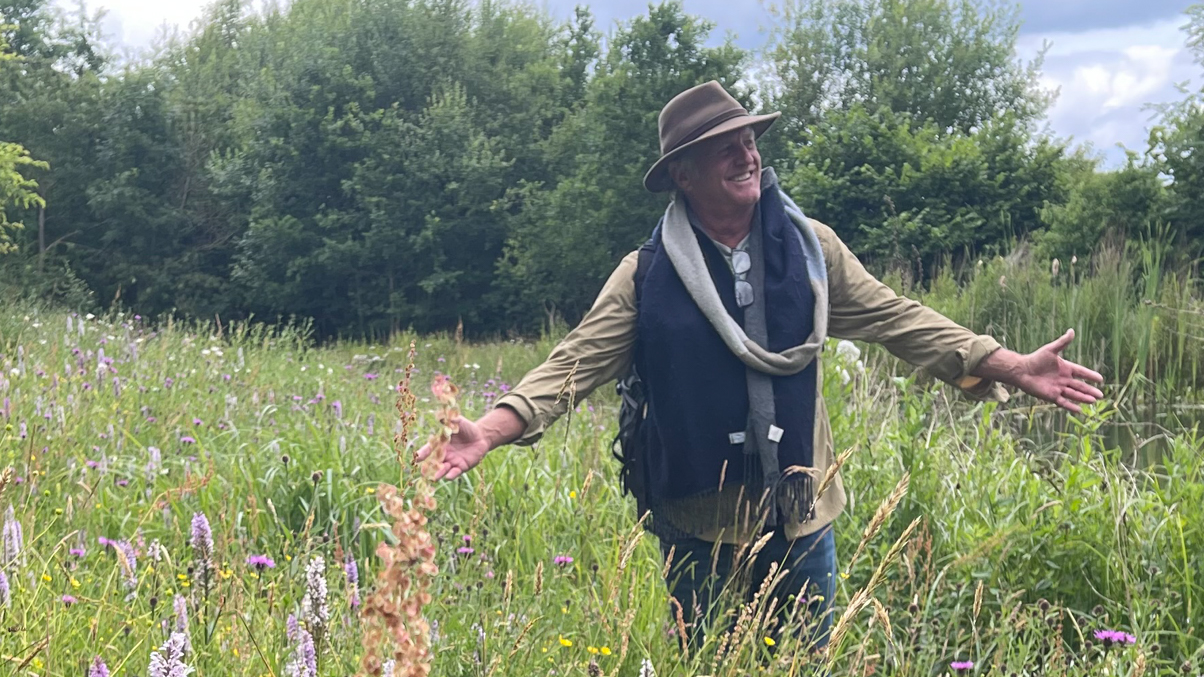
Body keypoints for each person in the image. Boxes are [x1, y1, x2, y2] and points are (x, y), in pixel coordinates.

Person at [432, 80, 1102, 641]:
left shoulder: (811, 251)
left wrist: (1007, 362)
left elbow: (896, 317)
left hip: (802, 512)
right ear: (684, 175)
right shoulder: (645, 275)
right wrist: (490, 429)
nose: (745, 156)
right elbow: (575, 362)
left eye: (749, 141)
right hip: (700, 519)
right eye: (724, 149)